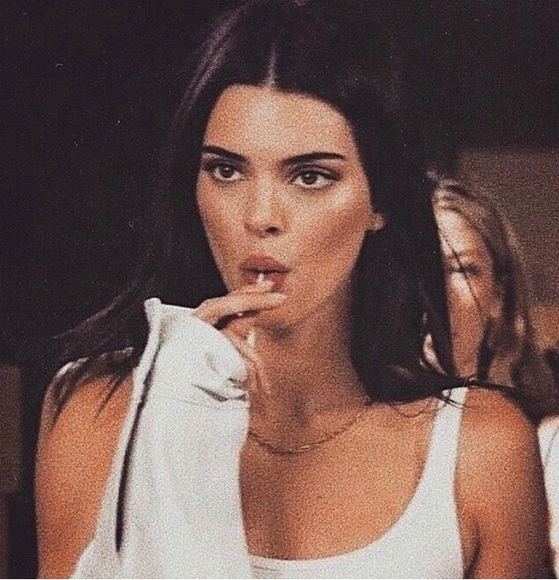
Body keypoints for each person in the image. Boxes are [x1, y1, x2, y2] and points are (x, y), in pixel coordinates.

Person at [35, 1, 548, 578]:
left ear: (379, 201)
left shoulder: (483, 447)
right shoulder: (98, 410)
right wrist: (179, 429)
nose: (260, 217)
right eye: (226, 170)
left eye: (309, 176)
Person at [429, 175, 558, 421]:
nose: (439, 291)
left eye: (462, 269)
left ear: (498, 294)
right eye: (419, 267)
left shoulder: (545, 438)